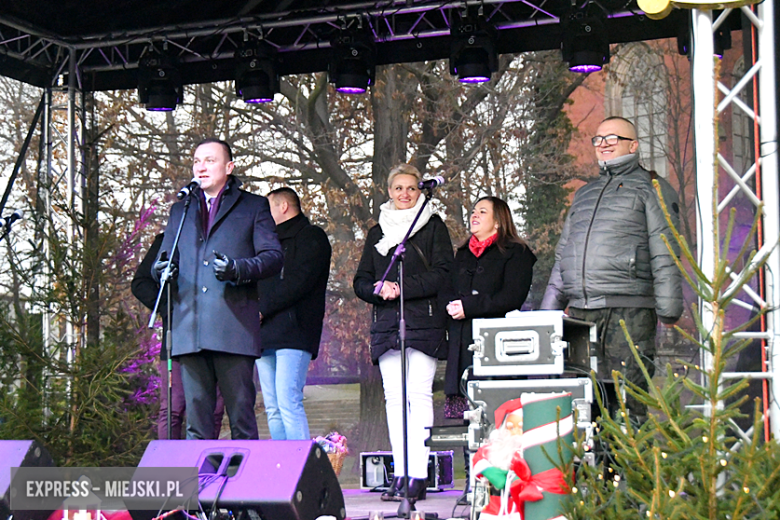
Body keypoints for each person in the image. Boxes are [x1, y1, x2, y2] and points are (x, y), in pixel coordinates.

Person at [540, 116, 683, 420]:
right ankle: (593, 468)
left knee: (627, 402)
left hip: (627, 312)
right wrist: (548, 311)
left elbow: (666, 250)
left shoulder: (652, 187)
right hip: (579, 315)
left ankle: (628, 468)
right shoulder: (584, 194)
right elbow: (564, 254)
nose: (603, 144)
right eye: (598, 139)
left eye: (612, 138)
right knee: (582, 404)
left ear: (634, 145)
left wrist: (669, 307)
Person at [152, 138, 283, 440]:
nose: (201, 166)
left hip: (232, 327)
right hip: (189, 328)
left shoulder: (253, 206)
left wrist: (238, 269)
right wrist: (162, 270)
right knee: (195, 422)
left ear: (229, 166)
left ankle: (245, 484)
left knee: (241, 418)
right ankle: (200, 483)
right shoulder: (180, 211)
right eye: (197, 161)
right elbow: (162, 259)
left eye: (210, 160)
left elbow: (273, 257)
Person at [353, 164, 454, 503]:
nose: (405, 194)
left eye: (411, 188)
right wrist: (378, 290)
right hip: (387, 325)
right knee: (394, 400)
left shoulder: (433, 227)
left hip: (423, 321)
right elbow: (361, 281)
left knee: (419, 396)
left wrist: (401, 288)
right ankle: (400, 471)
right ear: (389, 191)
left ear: (420, 191)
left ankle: (419, 474)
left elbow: (443, 274)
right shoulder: (376, 232)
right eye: (398, 188)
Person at [444, 196, 537, 405]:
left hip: (498, 348)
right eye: (473, 211)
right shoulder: (462, 253)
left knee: (500, 416)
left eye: (482, 211)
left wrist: (469, 307)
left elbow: (512, 297)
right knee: (469, 419)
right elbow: (448, 288)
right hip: (462, 346)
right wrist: (451, 305)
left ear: (498, 221)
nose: (474, 215)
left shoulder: (517, 253)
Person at [132, 233, 226, 439]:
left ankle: (204, 465)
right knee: (174, 406)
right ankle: (169, 469)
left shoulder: (224, 235)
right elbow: (140, 282)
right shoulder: (170, 239)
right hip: (178, 336)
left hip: (219, 336)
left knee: (215, 409)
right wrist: (169, 306)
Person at [256, 187, 332, 440]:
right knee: (273, 407)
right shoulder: (265, 243)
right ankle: (281, 468)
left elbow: (299, 282)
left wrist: (262, 308)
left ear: (284, 207)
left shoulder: (311, 237)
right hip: (264, 333)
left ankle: (301, 468)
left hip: (295, 331)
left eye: (268, 209)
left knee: (288, 400)